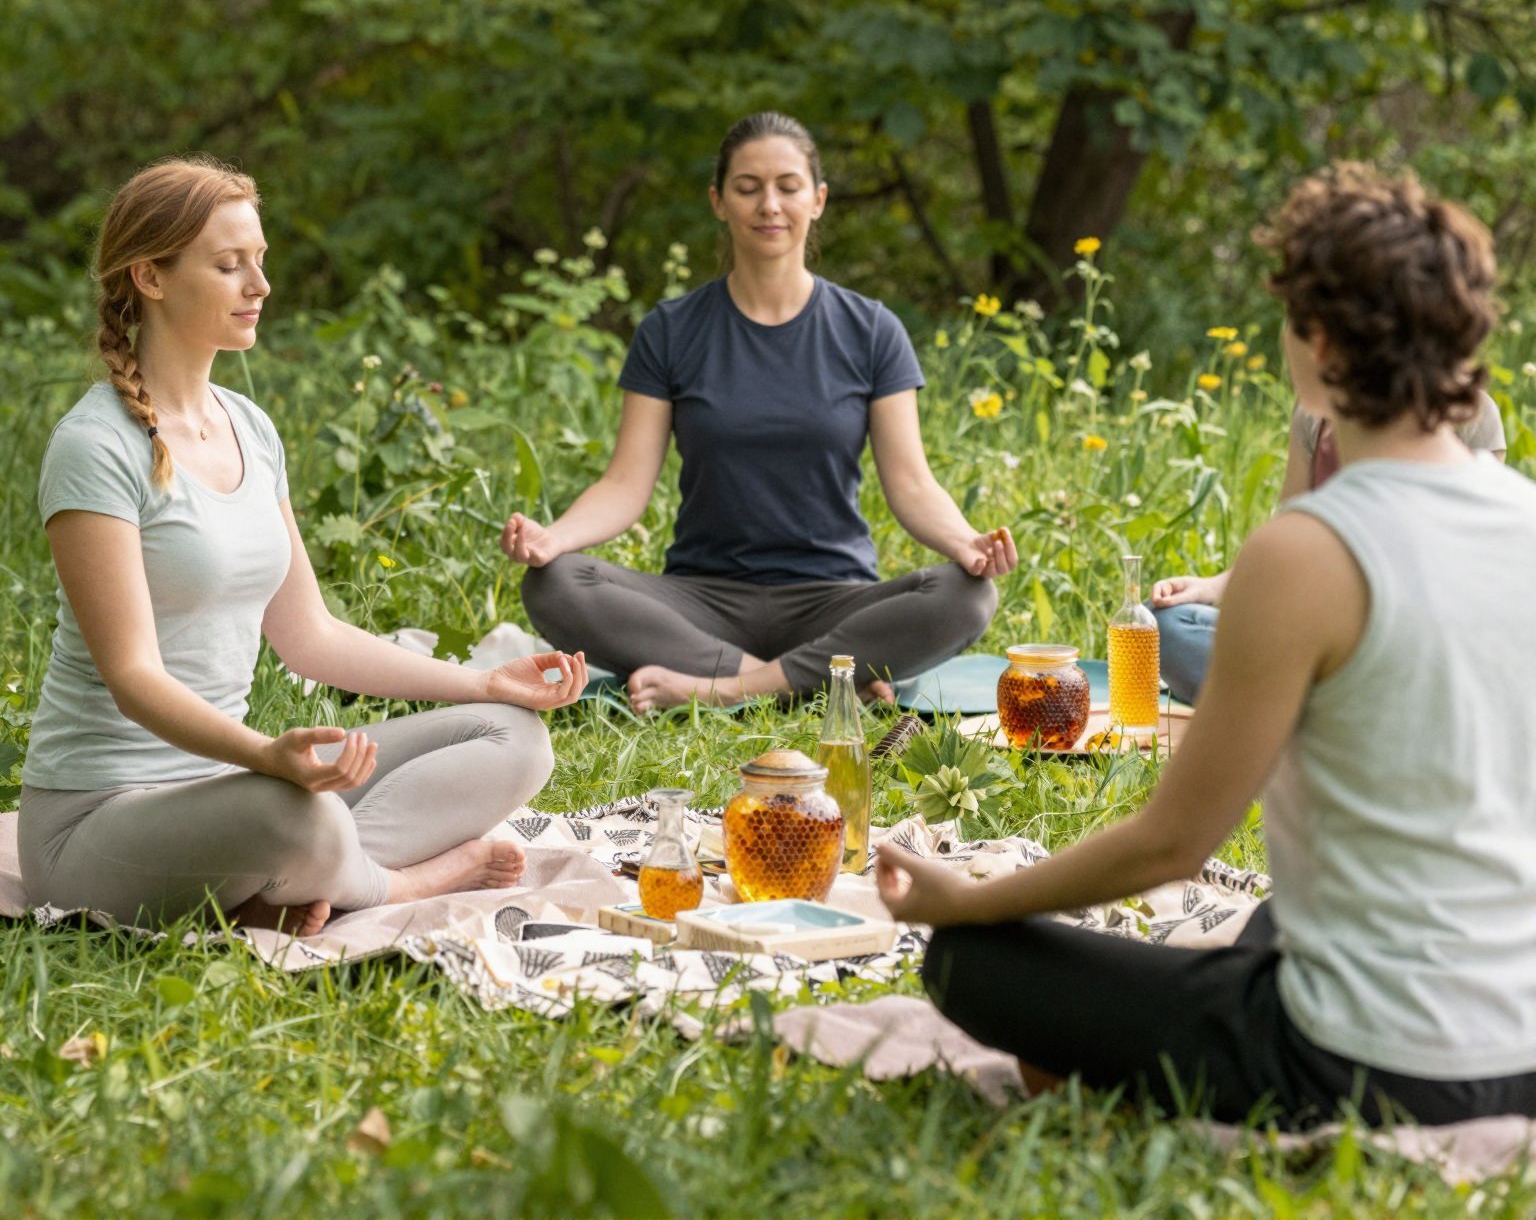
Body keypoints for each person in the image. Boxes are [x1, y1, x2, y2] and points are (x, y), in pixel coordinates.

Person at [876, 164, 1536, 1127]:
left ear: (1317, 340)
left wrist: (971, 901)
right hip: (1521, 1046)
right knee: (1272, 923)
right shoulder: (1524, 515)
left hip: (1367, 1067)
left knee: (972, 961)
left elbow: (1172, 844)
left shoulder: (1308, 551)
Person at [19, 157, 587, 937]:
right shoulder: (94, 446)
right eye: (229, 265)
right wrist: (263, 756)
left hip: (236, 789)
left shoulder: (250, 428)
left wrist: (485, 682)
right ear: (150, 277)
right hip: (99, 822)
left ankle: (295, 885)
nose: (260, 285)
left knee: (514, 739)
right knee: (301, 817)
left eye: (260, 260)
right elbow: (133, 678)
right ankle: (397, 881)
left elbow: (311, 636)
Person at [504, 112, 1015, 714]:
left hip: (833, 602)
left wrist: (966, 542)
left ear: (817, 199)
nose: (769, 205)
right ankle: (815, 681)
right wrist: (553, 538)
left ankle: (726, 689)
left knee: (969, 595)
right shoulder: (670, 331)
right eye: (747, 188)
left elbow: (912, 484)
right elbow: (624, 484)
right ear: (718, 202)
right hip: (701, 603)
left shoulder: (871, 330)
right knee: (555, 582)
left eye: (788, 187)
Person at [1152, 369, 1505, 705]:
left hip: (1410, 640)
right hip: (1310, 634)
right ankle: (1306, 702)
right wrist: (1215, 586)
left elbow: (1470, 571)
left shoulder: (1474, 415)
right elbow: (1289, 539)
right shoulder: (1314, 411)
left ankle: (1283, 704)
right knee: (1161, 623)